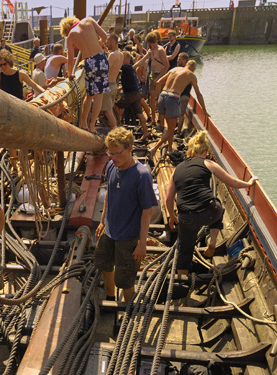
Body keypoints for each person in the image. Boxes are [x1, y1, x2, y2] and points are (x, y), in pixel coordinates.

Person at [166, 131, 258, 274]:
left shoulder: (177, 169)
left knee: (185, 249)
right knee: (218, 207)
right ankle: (213, 241)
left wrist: (172, 217)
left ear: (190, 151)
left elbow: (168, 198)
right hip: (208, 214)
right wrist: (248, 183)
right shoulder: (209, 163)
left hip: (186, 218)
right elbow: (232, 182)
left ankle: (182, 280)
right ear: (206, 152)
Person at [95, 127, 158, 302]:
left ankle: (128, 310)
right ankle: (110, 297)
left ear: (130, 148)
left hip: (128, 236)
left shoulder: (142, 175)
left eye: (117, 153)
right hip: (109, 230)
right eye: (110, 153)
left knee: (125, 279)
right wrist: (102, 221)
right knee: (105, 266)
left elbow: (148, 211)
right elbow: (109, 194)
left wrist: (142, 243)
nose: (113, 158)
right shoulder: (111, 166)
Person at [60, 16, 110, 133]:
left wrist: (70, 74)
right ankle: (92, 126)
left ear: (66, 30)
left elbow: (70, 59)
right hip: (100, 59)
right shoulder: (89, 20)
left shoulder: (71, 36)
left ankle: (83, 123)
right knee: (99, 96)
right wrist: (99, 43)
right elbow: (104, 37)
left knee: (89, 95)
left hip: (88, 62)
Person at [149, 59, 207, 157]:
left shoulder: (174, 69)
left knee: (169, 128)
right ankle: (154, 149)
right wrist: (204, 110)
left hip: (162, 96)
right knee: (171, 129)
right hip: (173, 98)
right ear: (193, 68)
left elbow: (158, 82)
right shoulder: (191, 75)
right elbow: (198, 94)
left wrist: (156, 98)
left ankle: (170, 149)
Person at [133, 32, 169, 127]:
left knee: (159, 99)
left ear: (149, 42)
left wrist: (159, 78)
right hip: (153, 74)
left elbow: (167, 65)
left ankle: (161, 121)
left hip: (160, 74)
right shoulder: (150, 51)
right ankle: (153, 120)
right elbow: (143, 60)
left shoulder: (160, 50)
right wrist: (132, 67)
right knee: (152, 98)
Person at [114, 51, 150, 141]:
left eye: (122, 58)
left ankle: (117, 127)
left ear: (126, 58)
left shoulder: (125, 67)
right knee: (139, 114)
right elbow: (139, 63)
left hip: (130, 94)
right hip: (137, 94)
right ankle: (146, 132)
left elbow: (114, 65)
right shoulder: (130, 68)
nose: (120, 60)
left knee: (116, 106)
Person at [101, 33, 123, 130]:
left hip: (107, 85)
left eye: (108, 42)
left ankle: (114, 131)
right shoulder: (120, 54)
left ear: (113, 42)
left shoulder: (113, 55)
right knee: (110, 109)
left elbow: (105, 69)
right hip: (114, 84)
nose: (106, 44)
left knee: (108, 111)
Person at [176, 52, 190, 135]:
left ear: (184, 60)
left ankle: (177, 131)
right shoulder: (187, 71)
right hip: (180, 95)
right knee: (181, 114)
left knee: (179, 114)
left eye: (179, 59)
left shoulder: (179, 70)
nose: (178, 60)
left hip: (182, 95)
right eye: (177, 58)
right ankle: (178, 131)